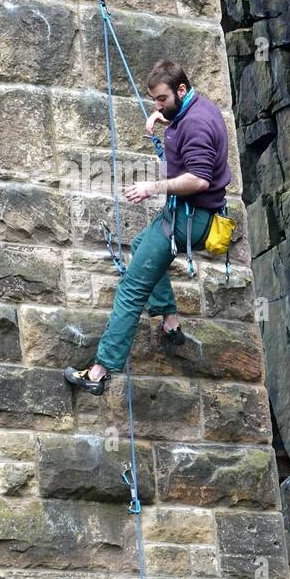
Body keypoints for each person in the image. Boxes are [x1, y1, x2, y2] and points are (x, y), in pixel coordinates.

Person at [64, 59, 233, 395]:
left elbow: (199, 179)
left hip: (190, 219)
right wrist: (164, 127)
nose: (157, 106)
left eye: (162, 100)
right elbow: (183, 157)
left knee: (131, 290)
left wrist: (150, 188)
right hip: (190, 215)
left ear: (181, 90)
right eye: (154, 100)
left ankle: (99, 373)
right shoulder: (194, 109)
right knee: (142, 243)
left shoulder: (195, 123)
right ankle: (170, 324)